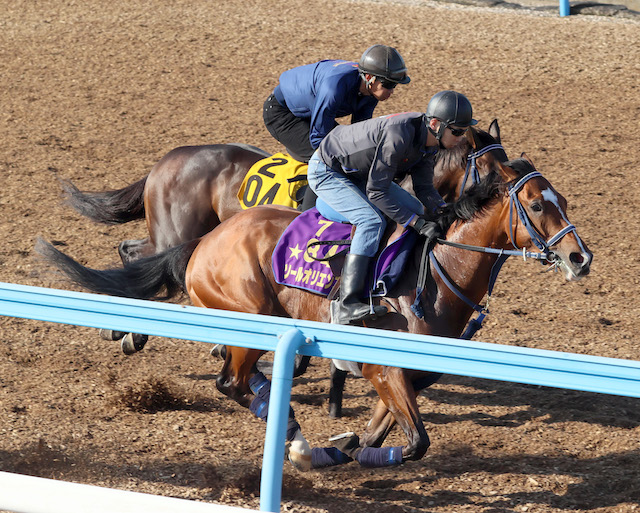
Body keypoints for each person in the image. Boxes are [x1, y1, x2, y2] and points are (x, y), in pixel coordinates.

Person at [306, 90, 478, 325]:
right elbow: (376, 192)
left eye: (464, 131)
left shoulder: (430, 143)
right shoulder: (399, 135)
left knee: (415, 207)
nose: (460, 138)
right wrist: (417, 223)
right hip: (327, 170)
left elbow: (425, 188)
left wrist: (445, 213)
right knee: (371, 221)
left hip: (359, 173)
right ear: (436, 124)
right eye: (456, 131)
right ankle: (346, 304)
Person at [263, 44, 411, 211]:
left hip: (310, 111)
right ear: (369, 77)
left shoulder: (370, 91)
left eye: (395, 85)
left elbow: (360, 134)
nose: (392, 91)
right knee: (326, 160)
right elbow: (319, 139)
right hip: (283, 115)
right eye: (389, 84)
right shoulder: (335, 87)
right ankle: (306, 214)